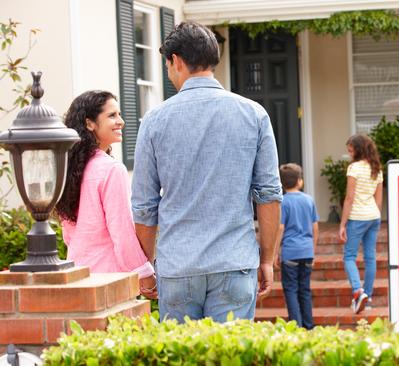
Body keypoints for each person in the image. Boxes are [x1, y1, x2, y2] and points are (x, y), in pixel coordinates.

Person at [131, 21, 282, 323]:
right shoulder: (254, 114)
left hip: (178, 266)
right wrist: (266, 259)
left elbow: (145, 207)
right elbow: (269, 196)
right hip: (234, 261)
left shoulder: (154, 120)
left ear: (176, 61)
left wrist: (146, 267)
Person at [56, 91, 157, 298]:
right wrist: (145, 274)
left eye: (119, 114)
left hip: (78, 276)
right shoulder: (111, 170)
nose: (121, 121)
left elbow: (68, 234)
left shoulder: (67, 169)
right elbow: (122, 232)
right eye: (112, 115)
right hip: (111, 280)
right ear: (90, 123)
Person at [338, 134, 383, 314]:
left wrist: (342, 224)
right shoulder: (376, 168)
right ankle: (368, 297)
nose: (349, 154)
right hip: (373, 216)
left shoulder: (354, 168)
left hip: (357, 217)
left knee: (349, 257)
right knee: (370, 257)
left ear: (358, 149)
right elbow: (379, 199)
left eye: (351, 150)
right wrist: (375, 215)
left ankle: (358, 292)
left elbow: (349, 198)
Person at [275, 163, 319, 329]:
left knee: (291, 290)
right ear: (300, 181)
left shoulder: (283, 202)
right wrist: (313, 251)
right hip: (307, 251)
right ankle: (309, 326)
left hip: (290, 253)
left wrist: (274, 253)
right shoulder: (309, 200)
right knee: (305, 290)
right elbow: (315, 228)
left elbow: (280, 228)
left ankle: (296, 326)